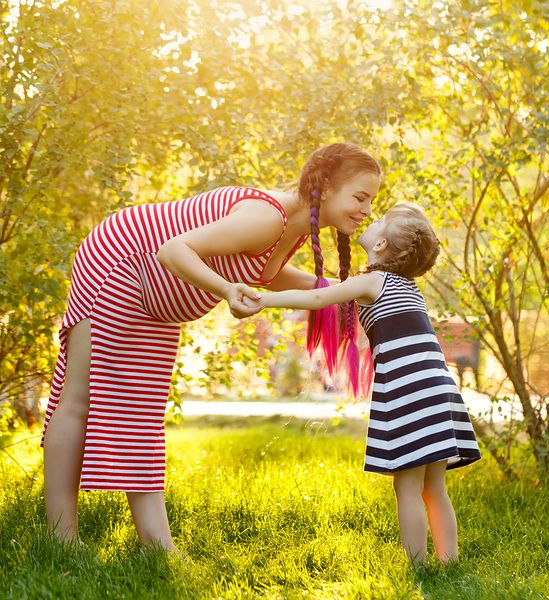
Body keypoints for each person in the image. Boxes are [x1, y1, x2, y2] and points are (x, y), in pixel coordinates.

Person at [41, 142, 381, 551]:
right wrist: (225, 290)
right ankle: (63, 539)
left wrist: (347, 290)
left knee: (142, 413)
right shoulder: (266, 217)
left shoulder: (291, 226)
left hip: (154, 291)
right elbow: (173, 249)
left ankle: (155, 545)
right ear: (325, 187)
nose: (366, 210)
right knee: (81, 398)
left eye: (371, 202)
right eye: (360, 197)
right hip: (120, 263)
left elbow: (267, 273)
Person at [254, 202, 481, 564]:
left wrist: (264, 299)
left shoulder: (373, 281)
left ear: (380, 246)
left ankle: (419, 568)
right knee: (434, 487)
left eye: (378, 221)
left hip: (409, 392)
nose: (369, 220)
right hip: (437, 389)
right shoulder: (405, 285)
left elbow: (317, 298)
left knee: (406, 486)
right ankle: (449, 563)